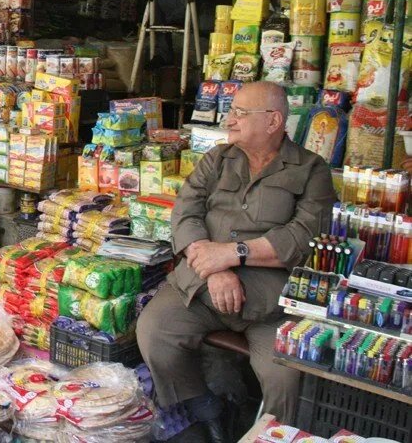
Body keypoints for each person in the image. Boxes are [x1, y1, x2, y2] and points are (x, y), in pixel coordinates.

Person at [136, 82, 337, 443]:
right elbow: (185, 212)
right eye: (231, 110)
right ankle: (201, 413)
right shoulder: (218, 159)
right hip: (202, 286)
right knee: (155, 331)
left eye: (241, 112)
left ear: (273, 120)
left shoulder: (311, 170)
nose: (230, 119)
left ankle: (271, 435)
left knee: (284, 377)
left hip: (271, 305)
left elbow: (303, 237)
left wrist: (233, 253)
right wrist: (214, 267)